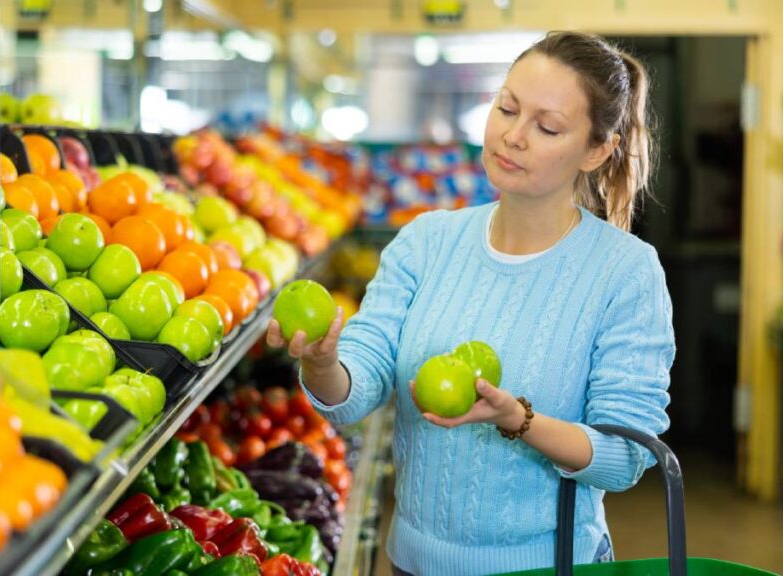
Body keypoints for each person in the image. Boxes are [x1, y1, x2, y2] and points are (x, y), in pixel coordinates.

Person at [266, 31, 675, 575]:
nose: (513, 135)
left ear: (597, 150)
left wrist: (518, 419)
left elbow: (624, 457)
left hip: (549, 567)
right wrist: (321, 362)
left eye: (547, 126)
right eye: (506, 108)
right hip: (413, 561)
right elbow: (357, 385)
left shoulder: (625, 271)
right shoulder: (425, 241)